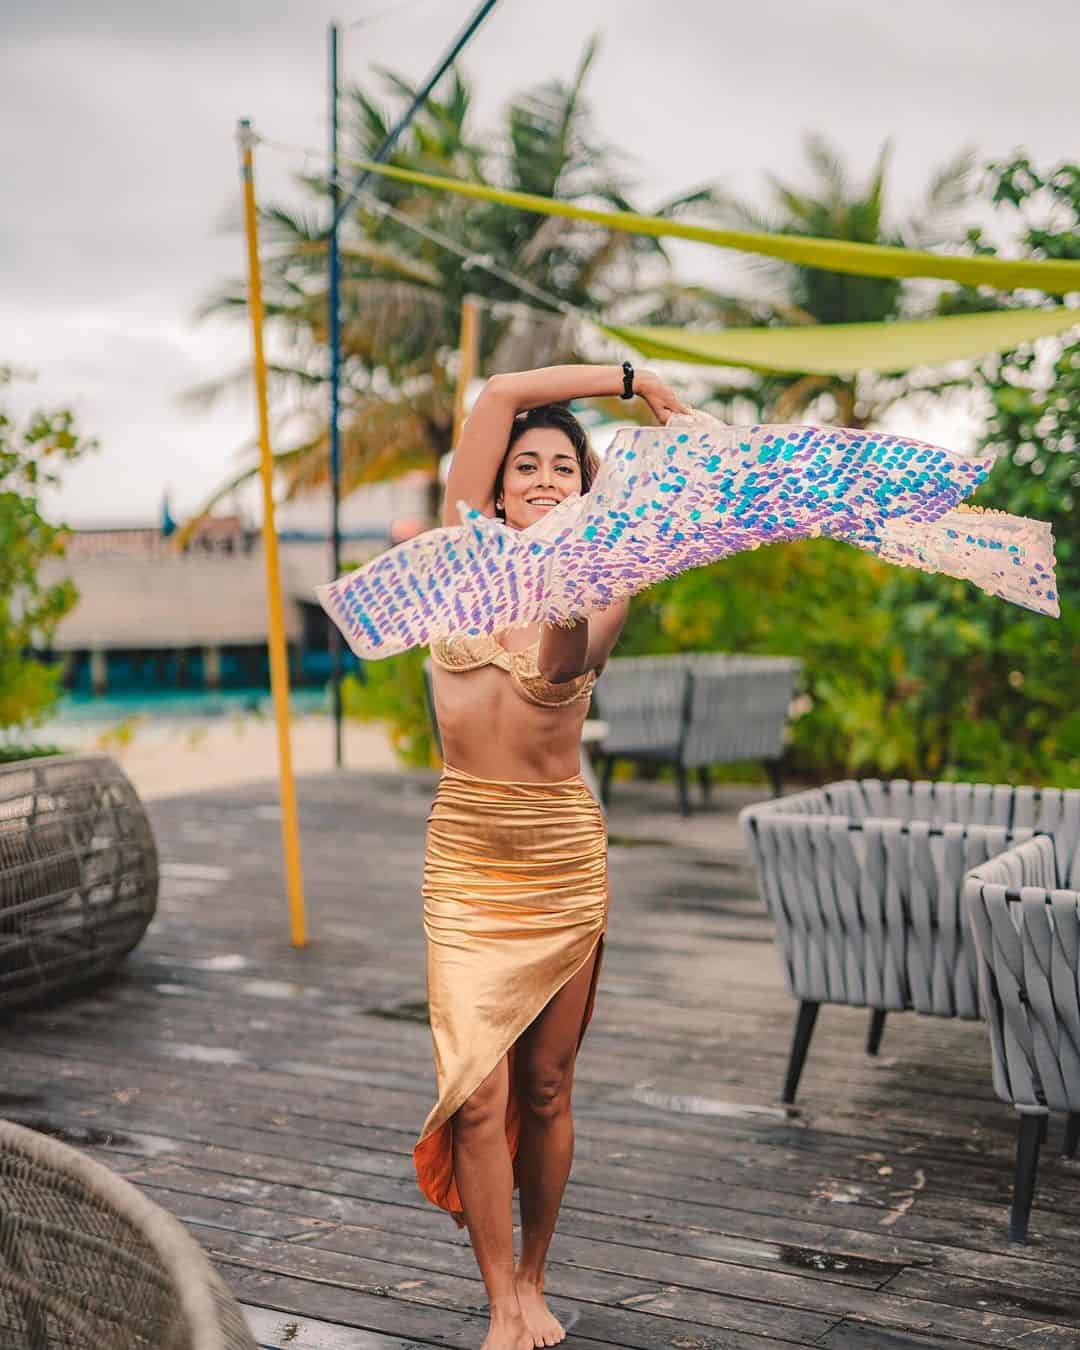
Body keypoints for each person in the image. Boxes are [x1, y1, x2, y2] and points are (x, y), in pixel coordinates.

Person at [414, 364, 688, 1350]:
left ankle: (534, 1276)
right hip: (466, 854)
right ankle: (501, 1304)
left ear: (585, 489)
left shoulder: (602, 586)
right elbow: (495, 393)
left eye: (563, 468)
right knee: (476, 1089)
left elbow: (570, 658)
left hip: (559, 859)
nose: (541, 479)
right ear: (493, 487)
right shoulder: (457, 558)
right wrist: (633, 382)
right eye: (525, 465)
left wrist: (577, 569)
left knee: (544, 1084)